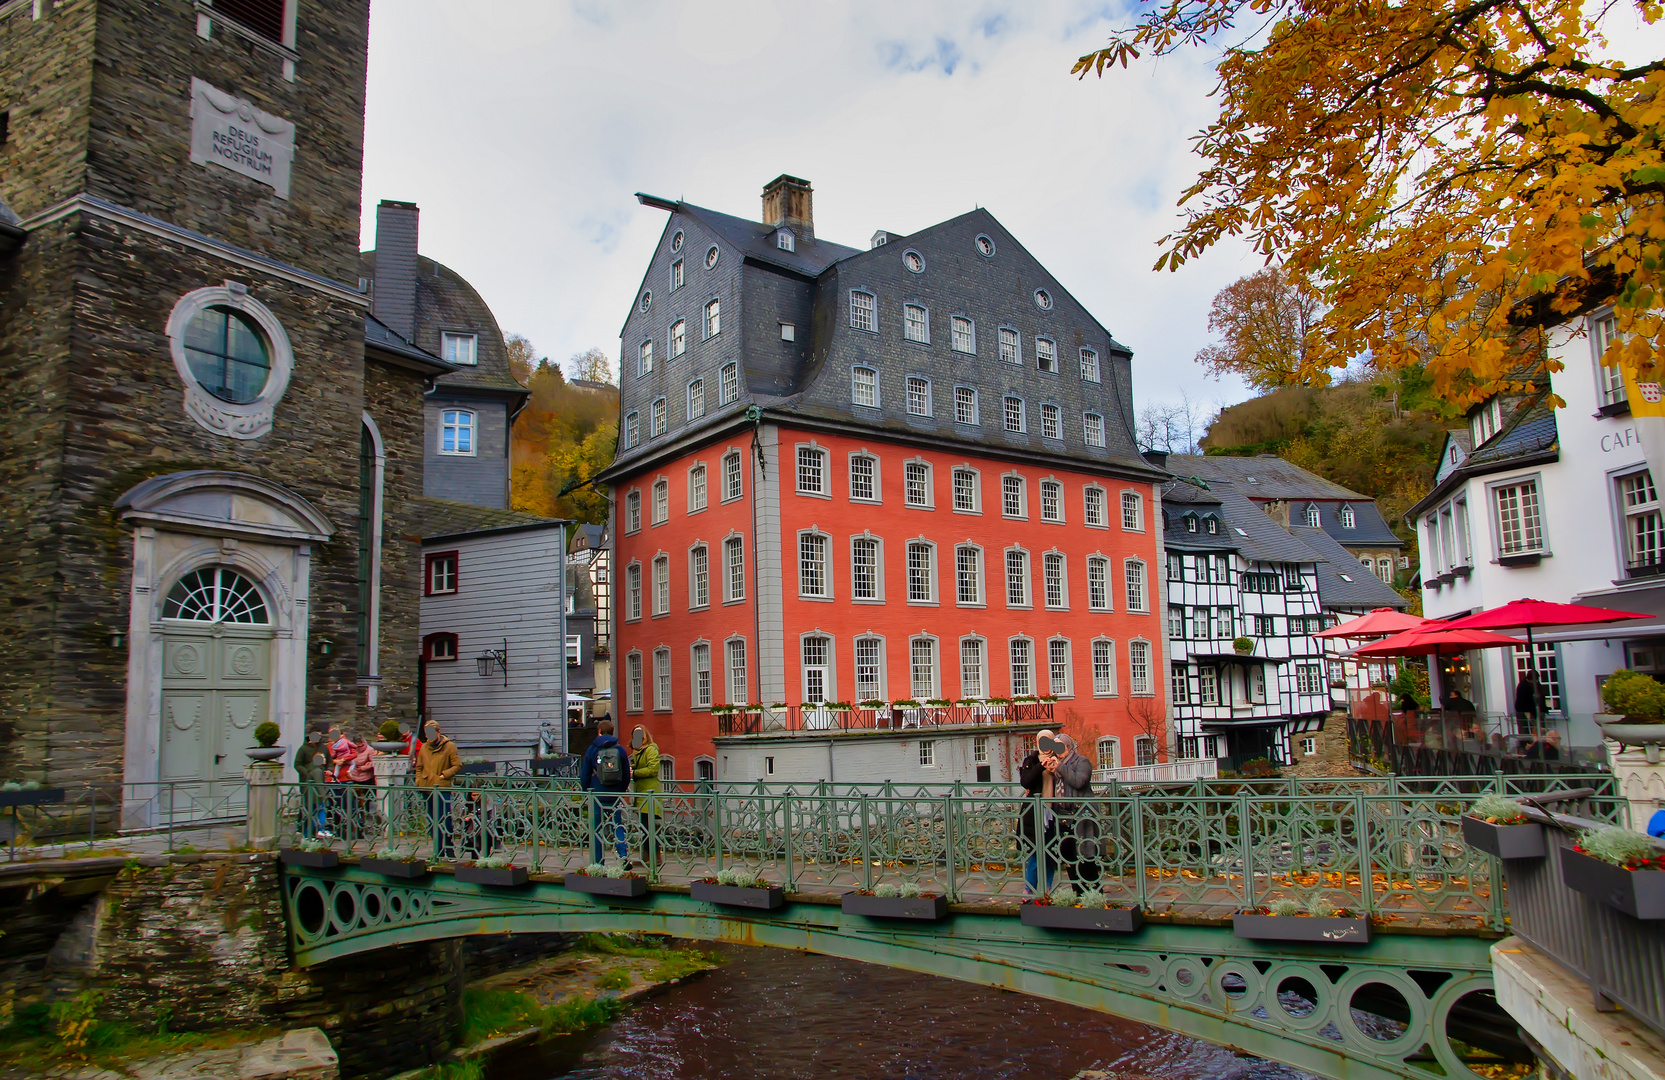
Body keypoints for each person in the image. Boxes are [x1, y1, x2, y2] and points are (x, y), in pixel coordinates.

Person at [1044, 732, 1099, 888]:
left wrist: (1060, 767)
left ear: (1068, 747)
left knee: (1085, 855)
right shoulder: (1057, 763)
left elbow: (1079, 782)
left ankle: (1093, 892)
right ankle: (1077, 892)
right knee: (1069, 857)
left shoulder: (1082, 761)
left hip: (1081, 814)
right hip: (1063, 816)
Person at [580, 719, 631, 865]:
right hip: (614, 793)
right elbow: (626, 773)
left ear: (599, 732)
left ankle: (598, 862)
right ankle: (623, 856)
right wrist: (621, 789)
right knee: (617, 824)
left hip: (597, 793)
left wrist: (586, 790)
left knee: (597, 828)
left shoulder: (592, 749)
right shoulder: (620, 749)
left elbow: (585, 774)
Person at [415, 720, 461, 859]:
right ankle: (438, 850)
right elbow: (419, 767)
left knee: (445, 819)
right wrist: (418, 780)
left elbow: (457, 765)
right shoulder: (424, 747)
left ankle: (449, 849)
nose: (429, 736)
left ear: (438, 732)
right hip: (426, 787)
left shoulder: (449, 747)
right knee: (431, 821)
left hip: (442, 788)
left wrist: (444, 775)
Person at [1018, 733, 1057, 894]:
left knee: (1050, 852)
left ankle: (1048, 887)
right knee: (1034, 851)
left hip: (1055, 811)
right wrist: (1041, 766)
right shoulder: (1031, 760)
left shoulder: (1058, 758)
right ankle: (1030, 888)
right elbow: (1026, 782)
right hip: (1035, 812)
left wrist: (1056, 766)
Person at [629, 725, 662, 872]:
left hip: (650, 792)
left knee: (650, 826)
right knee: (644, 826)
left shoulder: (651, 749)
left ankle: (655, 857)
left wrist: (634, 773)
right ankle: (646, 855)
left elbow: (653, 769)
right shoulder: (638, 751)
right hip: (641, 792)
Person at [1515, 669, 1545, 735]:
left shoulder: (1536, 684)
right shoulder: (1522, 686)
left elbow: (1541, 695)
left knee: (1539, 729)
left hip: (1535, 710)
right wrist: (1528, 712)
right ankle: (1525, 743)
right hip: (1524, 711)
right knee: (1524, 730)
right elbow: (1522, 702)